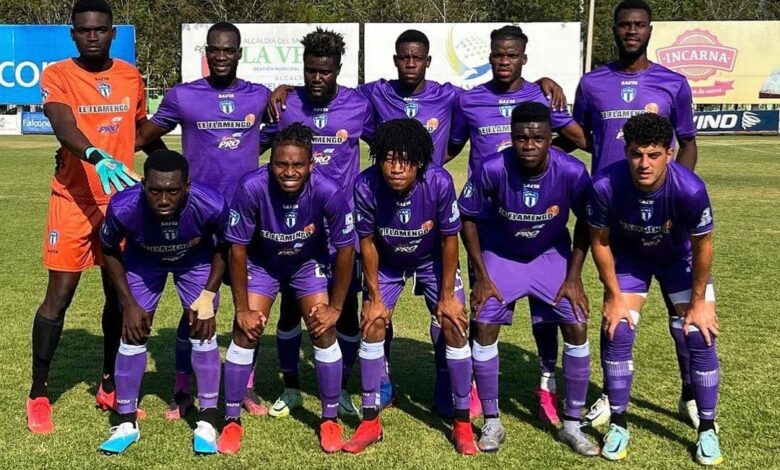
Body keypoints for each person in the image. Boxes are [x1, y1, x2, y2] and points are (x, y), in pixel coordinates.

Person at [27, 0, 159, 434]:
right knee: (60, 295)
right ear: (73, 34)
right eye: (84, 30)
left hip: (120, 203)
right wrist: (95, 156)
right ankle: (38, 393)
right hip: (73, 200)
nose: (92, 36)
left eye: (100, 29)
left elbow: (140, 131)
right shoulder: (58, 74)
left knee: (117, 295)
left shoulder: (130, 76)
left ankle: (109, 384)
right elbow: (63, 125)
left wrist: (172, 166)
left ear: (112, 33)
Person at [448, 24, 588, 425]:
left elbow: (581, 139)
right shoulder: (470, 100)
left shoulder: (542, 96)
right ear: (490, 56)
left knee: (549, 315)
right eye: (498, 54)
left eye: (512, 55)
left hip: (541, 224)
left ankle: (546, 383)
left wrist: (545, 158)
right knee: (484, 309)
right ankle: (479, 388)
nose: (504, 61)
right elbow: (452, 146)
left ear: (524, 58)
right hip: (490, 225)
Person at [135, 21, 272, 420]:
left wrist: (277, 98)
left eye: (229, 50)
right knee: (195, 304)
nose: (222, 56)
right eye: (215, 50)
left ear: (239, 53)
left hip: (247, 217)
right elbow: (142, 137)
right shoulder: (183, 96)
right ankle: (183, 388)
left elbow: (281, 131)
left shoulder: (259, 96)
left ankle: (244, 386)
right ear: (206, 53)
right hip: (198, 219)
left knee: (249, 304)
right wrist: (171, 166)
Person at [574, 0, 699, 428]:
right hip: (613, 219)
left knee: (682, 312)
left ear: (650, 30)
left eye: (639, 25)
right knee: (615, 309)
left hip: (664, 219)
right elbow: (580, 135)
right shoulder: (591, 83)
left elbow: (687, 141)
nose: (632, 31)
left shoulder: (673, 83)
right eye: (624, 24)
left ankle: (690, 393)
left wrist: (676, 194)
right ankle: (611, 394)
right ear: (614, 29)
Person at [458, 102, 597, 455]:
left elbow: (587, 220)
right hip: (502, 254)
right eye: (521, 137)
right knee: (484, 324)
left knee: (577, 325)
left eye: (538, 138)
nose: (529, 145)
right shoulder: (492, 168)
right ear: (512, 136)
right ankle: (492, 421)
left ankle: (572, 424)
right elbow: (468, 217)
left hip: (550, 256)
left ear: (550, 138)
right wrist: (481, 276)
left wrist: (574, 276)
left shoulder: (572, 170)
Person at [587, 113, 721, 465]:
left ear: (669, 154)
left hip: (679, 260)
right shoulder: (605, 185)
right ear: (626, 152)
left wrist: (699, 302)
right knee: (617, 328)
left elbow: (703, 246)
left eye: (653, 155)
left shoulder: (690, 189)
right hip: (632, 261)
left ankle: (707, 428)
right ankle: (618, 424)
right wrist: (614, 296)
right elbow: (600, 241)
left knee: (700, 333)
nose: (644, 164)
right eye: (636, 154)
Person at [218, 123, 356, 454]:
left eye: (297, 164)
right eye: (281, 164)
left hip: (307, 264)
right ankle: (231, 421)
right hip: (263, 265)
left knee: (323, 328)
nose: (289, 172)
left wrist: (336, 308)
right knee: (245, 330)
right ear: (270, 163)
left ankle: (329, 420)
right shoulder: (251, 187)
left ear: (311, 164)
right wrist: (241, 309)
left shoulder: (328, 190)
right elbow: (237, 248)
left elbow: (346, 248)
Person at [259, 27, 372, 419]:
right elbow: (256, 144)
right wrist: (284, 89)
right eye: (310, 71)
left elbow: (390, 141)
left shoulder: (359, 105)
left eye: (325, 71)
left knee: (346, 310)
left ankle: (342, 388)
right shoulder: (286, 104)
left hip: (342, 230)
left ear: (338, 68)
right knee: (291, 309)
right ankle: (291, 387)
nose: (317, 78)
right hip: (294, 228)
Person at [344, 119, 474, 454]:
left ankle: (462, 423)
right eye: (388, 159)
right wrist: (373, 296)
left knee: (455, 322)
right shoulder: (365, 184)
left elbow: (449, 239)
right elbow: (367, 241)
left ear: (419, 161)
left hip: (432, 260)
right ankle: (370, 421)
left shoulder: (439, 181)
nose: (396, 168)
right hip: (387, 262)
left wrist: (447, 296)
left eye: (405, 160)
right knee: (372, 322)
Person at [97, 150, 227, 455]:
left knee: (203, 331)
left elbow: (226, 246)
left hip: (194, 261)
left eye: (173, 191)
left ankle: (207, 422)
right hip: (144, 262)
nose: (164, 199)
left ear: (187, 186)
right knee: (133, 334)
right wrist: (128, 302)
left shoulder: (211, 203)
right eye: (155, 191)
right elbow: (108, 248)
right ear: (143, 185)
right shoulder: (123, 206)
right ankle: (125, 423)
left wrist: (208, 294)